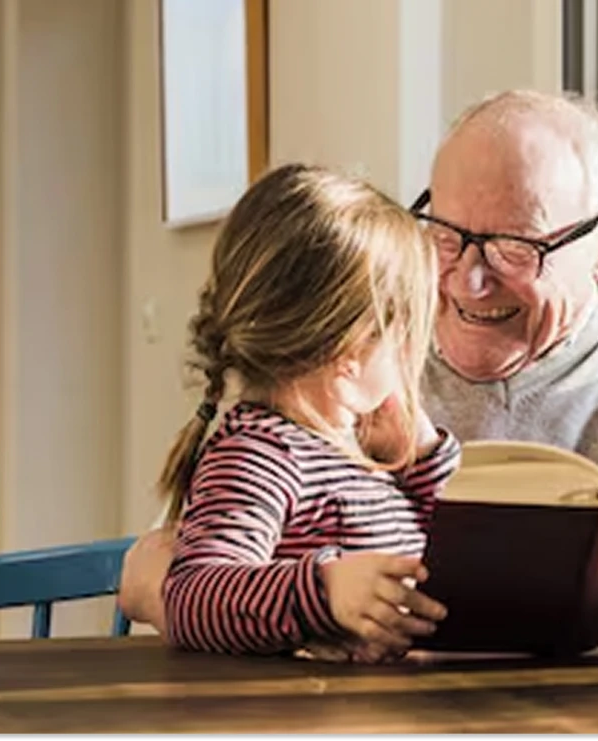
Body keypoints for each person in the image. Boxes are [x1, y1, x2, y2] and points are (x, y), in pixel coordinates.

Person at [120, 90, 598, 658]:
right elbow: (166, 571)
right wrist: (311, 600)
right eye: (448, 234)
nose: (467, 281)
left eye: (512, 247)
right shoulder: (361, 356)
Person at [153, 164, 460, 658]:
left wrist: (423, 457)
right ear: (349, 353)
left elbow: (449, 560)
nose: (412, 359)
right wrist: (325, 591)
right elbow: (192, 598)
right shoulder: (261, 454)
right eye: (404, 338)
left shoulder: (355, 450)